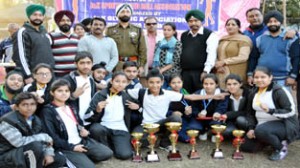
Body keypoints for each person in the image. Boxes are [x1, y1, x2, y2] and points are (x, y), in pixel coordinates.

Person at [127, 69, 228, 149]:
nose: (155, 85)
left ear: (162, 82)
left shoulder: (168, 93)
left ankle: (164, 142)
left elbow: (191, 97)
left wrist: (213, 97)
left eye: (158, 82)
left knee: (176, 118)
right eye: (151, 82)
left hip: (162, 123)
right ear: (146, 83)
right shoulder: (140, 92)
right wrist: (138, 107)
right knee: (135, 140)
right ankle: (155, 138)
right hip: (146, 124)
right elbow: (124, 91)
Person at [40, 79, 113, 167]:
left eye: (67, 91)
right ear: (52, 92)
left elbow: (78, 122)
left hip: (81, 141)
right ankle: (67, 159)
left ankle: (81, 158)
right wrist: (72, 147)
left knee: (107, 153)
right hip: (66, 146)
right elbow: (52, 136)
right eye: (60, 91)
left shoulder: (71, 106)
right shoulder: (47, 111)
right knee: (90, 167)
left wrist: (82, 129)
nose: (64, 93)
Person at [240, 66, 299, 161]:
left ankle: (280, 148)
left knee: (261, 130)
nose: (259, 80)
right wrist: (251, 128)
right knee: (246, 147)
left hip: (285, 125)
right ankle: (268, 139)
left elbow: (290, 111)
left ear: (270, 77)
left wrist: (270, 111)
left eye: (263, 77)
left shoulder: (278, 91)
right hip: (262, 126)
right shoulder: (253, 92)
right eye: (256, 77)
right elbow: (250, 113)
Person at [0, 92, 66, 168]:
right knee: (35, 146)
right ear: (17, 107)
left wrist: (48, 153)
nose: (29, 108)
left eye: (32, 104)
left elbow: (46, 141)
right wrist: (43, 137)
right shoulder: (7, 121)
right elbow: (19, 143)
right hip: (6, 157)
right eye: (25, 105)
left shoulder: (36, 120)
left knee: (59, 159)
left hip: (27, 153)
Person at [86, 72, 138, 160]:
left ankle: (115, 143)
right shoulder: (100, 95)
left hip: (120, 128)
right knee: (96, 129)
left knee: (125, 155)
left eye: (123, 82)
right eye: (117, 81)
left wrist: (138, 107)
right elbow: (87, 115)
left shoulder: (126, 96)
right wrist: (97, 110)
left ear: (127, 83)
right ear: (111, 81)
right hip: (103, 126)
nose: (120, 84)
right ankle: (106, 147)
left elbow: (138, 104)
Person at [247, 10, 300, 91]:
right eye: (270, 21)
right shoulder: (260, 39)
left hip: (283, 80)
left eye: (275, 21)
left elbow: (296, 58)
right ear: (266, 24)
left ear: (281, 22)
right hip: (262, 78)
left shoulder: (291, 39)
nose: (272, 23)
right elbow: (253, 58)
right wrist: (250, 74)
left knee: (282, 103)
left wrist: (293, 76)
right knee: (262, 102)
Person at [12, 4, 54, 84]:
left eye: (40, 15)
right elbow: (20, 57)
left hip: (48, 75)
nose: (38, 17)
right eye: (35, 15)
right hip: (33, 76)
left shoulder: (44, 32)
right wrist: (27, 76)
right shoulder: (23, 32)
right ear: (29, 16)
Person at [181, 9, 218, 93]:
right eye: (190, 21)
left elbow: (211, 54)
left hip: (201, 73)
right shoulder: (184, 35)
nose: (193, 23)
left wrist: (206, 71)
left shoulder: (209, 34)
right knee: (186, 95)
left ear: (201, 21)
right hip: (185, 73)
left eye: (196, 20)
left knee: (200, 96)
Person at [106, 3, 147, 74]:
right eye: (122, 12)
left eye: (127, 12)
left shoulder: (138, 30)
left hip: (133, 64)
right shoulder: (110, 30)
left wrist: (141, 66)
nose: (125, 14)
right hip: (116, 65)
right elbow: (106, 50)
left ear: (131, 14)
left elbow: (142, 50)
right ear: (117, 14)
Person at [215, 18, 252, 89]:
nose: (230, 26)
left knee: (235, 91)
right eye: (228, 25)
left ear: (239, 27)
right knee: (221, 93)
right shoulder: (222, 39)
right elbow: (217, 54)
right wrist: (218, 65)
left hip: (236, 71)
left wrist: (224, 62)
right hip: (221, 71)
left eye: (233, 24)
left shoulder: (244, 40)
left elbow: (243, 57)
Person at [191, 74, 228, 142]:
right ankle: (203, 131)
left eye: (211, 84)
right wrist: (198, 113)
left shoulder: (222, 94)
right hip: (201, 118)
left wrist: (218, 112)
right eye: (206, 84)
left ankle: (214, 133)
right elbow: (194, 107)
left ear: (216, 84)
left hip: (215, 118)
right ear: (202, 84)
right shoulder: (197, 94)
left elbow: (223, 106)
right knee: (193, 127)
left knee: (217, 124)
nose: (208, 86)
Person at [64, 51, 96, 127]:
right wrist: (73, 95)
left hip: (89, 119)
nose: (86, 66)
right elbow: (57, 100)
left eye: (88, 63)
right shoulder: (68, 80)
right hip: (73, 120)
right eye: (82, 63)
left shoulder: (91, 81)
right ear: (75, 64)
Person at [49, 10, 79, 77]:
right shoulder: (51, 36)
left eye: (68, 20)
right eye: (62, 20)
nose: (66, 22)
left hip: (75, 74)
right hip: (58, 74)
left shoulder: (76, 37)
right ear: (58, 22)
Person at [153, 22, 182, 89]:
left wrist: (162, 70)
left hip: (173, 74)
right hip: (160, 74)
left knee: (172, 93)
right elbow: (155, 57)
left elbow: (176, 60)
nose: (166, 32)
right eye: (164, 30)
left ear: (174, 31)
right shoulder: (159, 43)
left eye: (169, 30)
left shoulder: (178, 44)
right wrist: (158, 69)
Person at [221, 74, 250, 138]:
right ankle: (238, 135)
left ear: (240, 84)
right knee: (226, 132)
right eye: (229, 84)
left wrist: (228, 115)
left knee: (240, 120)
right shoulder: (226, 95)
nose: (232, 87)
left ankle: (246, 135)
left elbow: (248, 112)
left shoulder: (248, 94)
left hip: (245, 120)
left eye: (235, 84)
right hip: (231, 121)